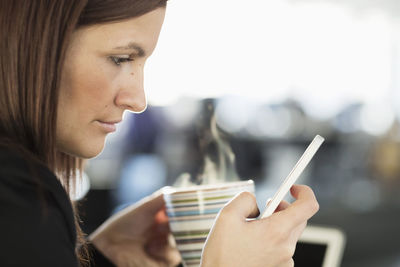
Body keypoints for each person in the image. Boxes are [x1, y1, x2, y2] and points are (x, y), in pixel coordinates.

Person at [0, 1, 319, 266]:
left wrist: (103, 255)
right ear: (34, 41)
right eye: (121, 58)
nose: (137, 100)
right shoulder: (17, 196)